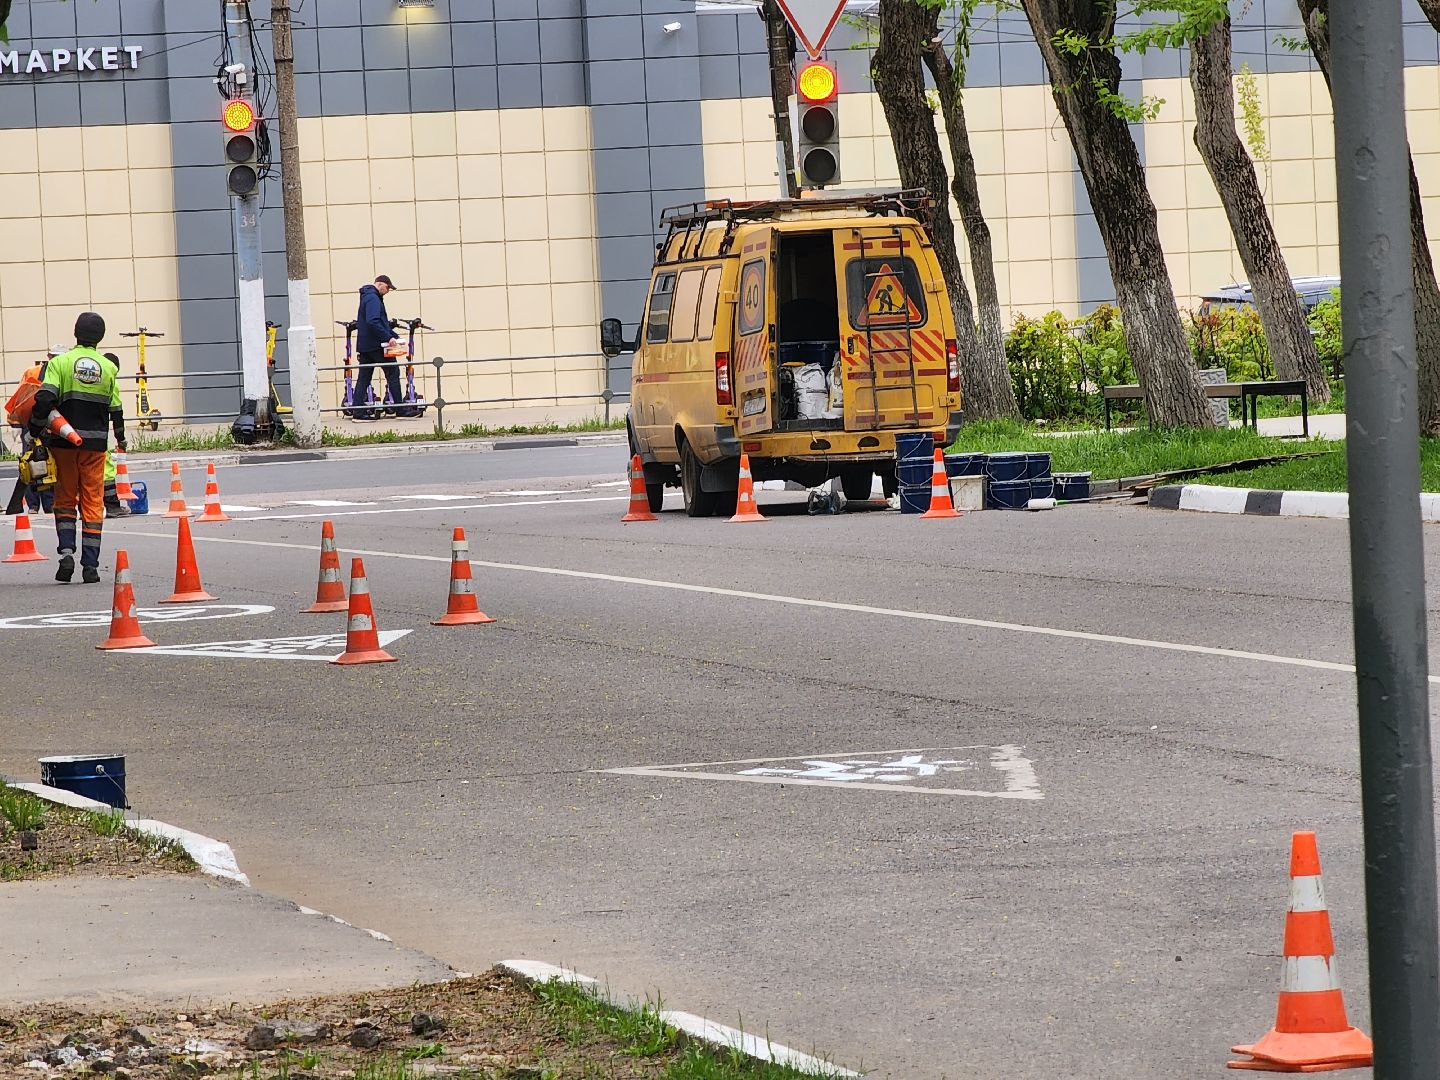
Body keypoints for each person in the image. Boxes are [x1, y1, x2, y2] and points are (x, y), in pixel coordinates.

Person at [27, 313, 124, 583]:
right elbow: (116, 409)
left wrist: (34, 429)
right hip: (95, 446)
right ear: (100, 337)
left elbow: (45, 399)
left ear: (75, 332)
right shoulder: (108, 368)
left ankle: (66, 553)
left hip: (64, 445)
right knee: (93, 502)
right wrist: (121, 437)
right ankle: (90, 566)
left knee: (65, 499)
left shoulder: (61, 363)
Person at [349, 274, 410, 420]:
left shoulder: (367, 296)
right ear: (380, 284)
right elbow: (373, 321)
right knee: (393, 373)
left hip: (365, 345)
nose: (388, 291)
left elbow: (378, 323)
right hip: (376, 345)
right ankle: (400, 409)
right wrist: (388, 337)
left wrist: (393, 335)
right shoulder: (373, 298)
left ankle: (358, 412)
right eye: (387, 287)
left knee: (364, 377)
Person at [101, 352, 130, 518]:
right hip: (96, 431)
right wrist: (121, 438)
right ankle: (112, 505)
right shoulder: (110, 382)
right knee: (106, 468)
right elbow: (117, 413)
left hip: (70, 429)